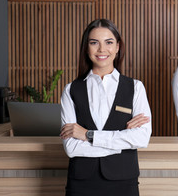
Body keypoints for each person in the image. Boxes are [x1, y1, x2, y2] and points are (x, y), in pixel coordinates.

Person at [60, 19, 152, 196]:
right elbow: (72, 148)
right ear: (86, 48)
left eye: (108, 42)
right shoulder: (71, 90)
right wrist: (123, 142)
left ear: (117, 47)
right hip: (81, 184)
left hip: (124, 183)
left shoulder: (136, 88)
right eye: (94, 43)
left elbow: (141, 138)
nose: (102, 49)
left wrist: (88, 135)